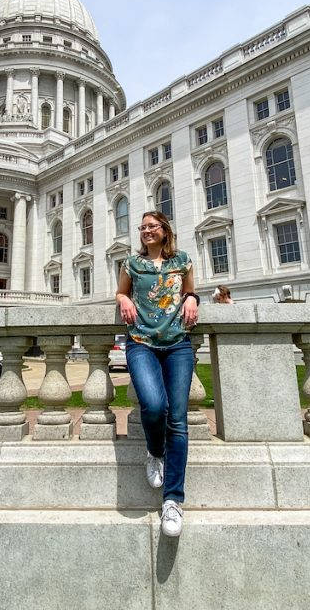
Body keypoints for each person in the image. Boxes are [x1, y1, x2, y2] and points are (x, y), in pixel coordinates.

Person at [115, 210, 199, 538]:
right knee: (152, 405)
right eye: (143, 227)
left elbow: (190, 291)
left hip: (178, 344)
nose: (147, 231)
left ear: (165, 230)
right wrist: (123, 299)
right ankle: (154, 451)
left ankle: (173, 501)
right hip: (141, 343)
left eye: (153, 226)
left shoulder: (183, 260)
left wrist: (192, 298)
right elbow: (121, 291)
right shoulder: (132, 264)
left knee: (177, 420)